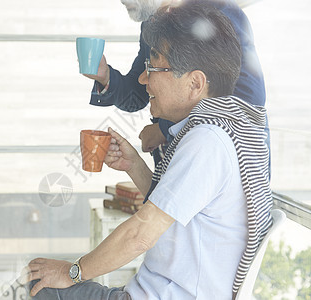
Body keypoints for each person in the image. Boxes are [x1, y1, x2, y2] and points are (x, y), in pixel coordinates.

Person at [23, 2, 273, 299]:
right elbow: (184, 214)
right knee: (41, 279)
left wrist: (71, 271)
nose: (144, 79)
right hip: (161, 289)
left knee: (41, 284)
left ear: (195, 82)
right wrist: (135, 165)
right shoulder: (210, 134)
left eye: (152, 68)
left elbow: (140, 235)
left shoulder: (207, 142)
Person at [84, 0, 268, 165]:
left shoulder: (219, 11)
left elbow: (248, 100)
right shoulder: (153, 22)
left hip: (223, 161)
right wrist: (105, 76)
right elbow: (139, 93)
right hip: (176, 160)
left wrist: (163, 130)